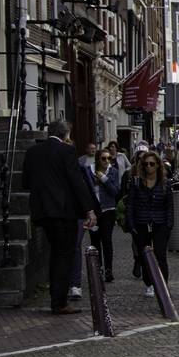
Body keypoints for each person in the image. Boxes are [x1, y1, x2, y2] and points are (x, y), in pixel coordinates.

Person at [20, 119, 96, 315]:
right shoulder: (67, 151)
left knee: (56, 252)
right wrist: (89, 209)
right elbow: (76, 181)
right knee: (64, 254)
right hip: (64, 212)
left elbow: (25, 182)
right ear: (66, 135)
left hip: (43, 211)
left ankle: (56, 297)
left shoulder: (32, 152)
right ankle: (59, 301)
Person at [125, 151, 172, 298]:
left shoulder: (165, 184)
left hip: (160, 223)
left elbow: (169, 206)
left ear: (158, 165)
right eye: (145, 164)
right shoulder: (136, 183)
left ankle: (163, 284)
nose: (149, 167)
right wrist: (131, 223)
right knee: (145, 255)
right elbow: (131, 204)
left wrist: (169, 224)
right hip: (141, 222)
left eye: (152, 164)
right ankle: (149, 283)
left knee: (160, 254)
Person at [84, 148, 120, 282]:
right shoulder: (88, 171)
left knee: (107, 240)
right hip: (94, 211)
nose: (106, 161)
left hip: (108, 210)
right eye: (103, 158)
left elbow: (115, 191)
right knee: (95, 241)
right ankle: (97, 269)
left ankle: (108, 270)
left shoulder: (113, 172)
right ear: (98, 159)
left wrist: (104, 179)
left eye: (109, 158)